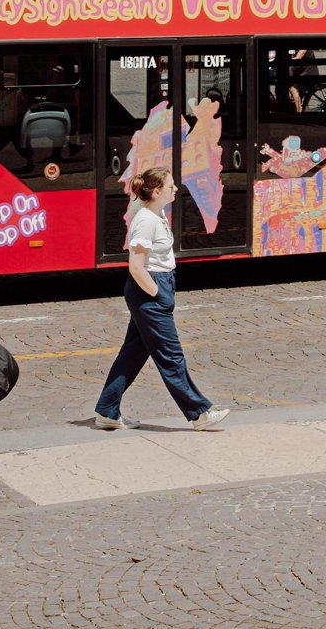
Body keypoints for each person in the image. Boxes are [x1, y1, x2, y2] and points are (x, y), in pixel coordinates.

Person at [91, 168, 229, 434]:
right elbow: (136, 266)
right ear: (156, 192)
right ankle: (199, 414)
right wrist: (157, 293)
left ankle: (107, 411)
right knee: (171, 356)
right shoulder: (146, 221)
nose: (175, 189)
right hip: (149, 291)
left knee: (132, 353)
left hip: (156, 287)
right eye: (170, 186)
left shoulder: (157, 214)